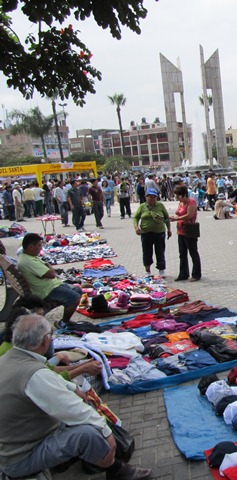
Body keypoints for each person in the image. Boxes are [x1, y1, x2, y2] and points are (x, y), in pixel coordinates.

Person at [0, 314, 152, 480]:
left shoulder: (8, 359)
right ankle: (116, 469)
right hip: (21, 457)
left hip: (19, 443)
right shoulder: (33, 374)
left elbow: (51, 380)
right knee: (88, 433)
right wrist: (106, 432)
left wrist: (72, 387)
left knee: (81, 410)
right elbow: (71, 408)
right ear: (45, 340)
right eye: (50, 336)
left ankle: (86, 460)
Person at [17, 233, 82, 327]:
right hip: (46, 290)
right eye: (39, 245)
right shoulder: (29, 261)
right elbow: (52, 274)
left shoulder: (28, 256)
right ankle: (64, 323)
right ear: (31, 247)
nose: (41, 248)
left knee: (77, 289)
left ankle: (64, 311)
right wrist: (49, 268)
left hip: (49, 285)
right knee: (74, 298)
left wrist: (48, 267)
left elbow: (48, 268)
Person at [133, 188, 171, 278]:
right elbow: (135, 218)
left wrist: (169, 229)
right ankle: (148, 271)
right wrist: (136, 227)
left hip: (159, 233)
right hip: (146, 233)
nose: (152, 199)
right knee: (147, 252)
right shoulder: (142, 207)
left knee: (160, 251)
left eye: (154, 197)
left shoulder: (160, 206)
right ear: (146, 197)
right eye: (150, 197)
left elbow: (166, 218)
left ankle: (161, 270)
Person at [170, 185, 201, 282]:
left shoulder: (191, 202)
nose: (177, 198)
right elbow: (179, 213)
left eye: (178, 196)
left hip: (189, 230)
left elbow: (189, 215)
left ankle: (196, 274)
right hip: (180, 230)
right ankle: (183, 274)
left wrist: (176, 219)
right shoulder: (181, 203)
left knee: (193, 252)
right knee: (182, 254)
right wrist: (173, 216)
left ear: (184, 195)